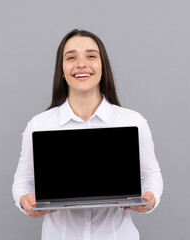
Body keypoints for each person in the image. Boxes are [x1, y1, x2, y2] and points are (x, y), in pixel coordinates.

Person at [12, 29, 163, 240]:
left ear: (103, 67)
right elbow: (23, 181)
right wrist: (24, 200)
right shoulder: (39, 125)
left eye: (91, 56)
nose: (81, 64)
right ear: (62, 70)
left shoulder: (133, 121)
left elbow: (151, 175)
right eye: (71, 57)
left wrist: (151, 197)